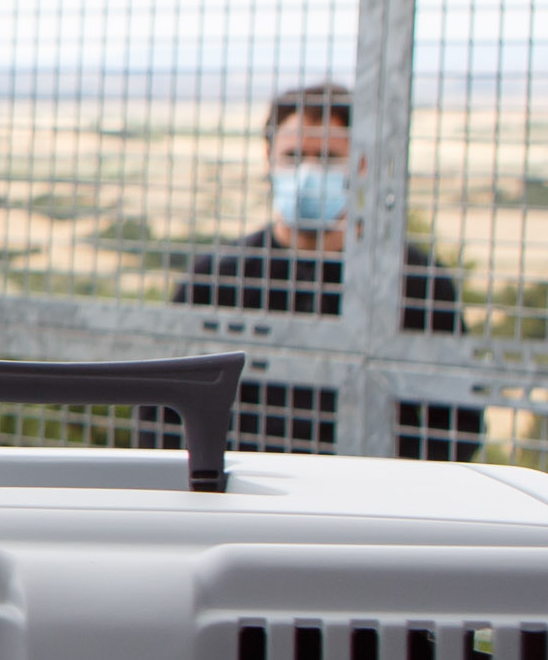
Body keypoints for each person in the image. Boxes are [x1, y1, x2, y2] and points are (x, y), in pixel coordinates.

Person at [168, 81, 486, 461]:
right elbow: (164, 410)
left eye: (327, 157)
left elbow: (457, 425)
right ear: (269, 158)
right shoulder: (217, 277)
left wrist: (396, 482)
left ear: (360, 165)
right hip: (243, 489)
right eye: (293, 156)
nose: (308, 172)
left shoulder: (413, 281)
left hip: (364, 491)